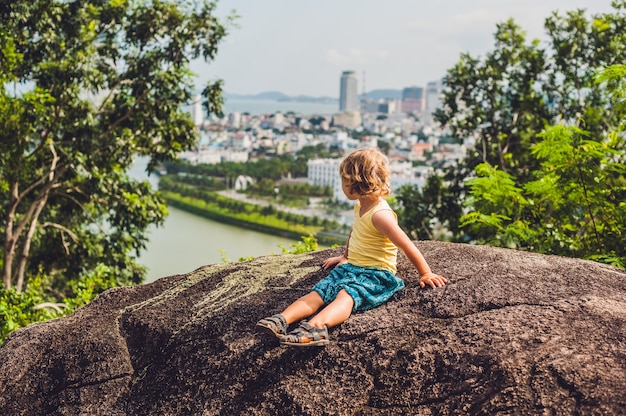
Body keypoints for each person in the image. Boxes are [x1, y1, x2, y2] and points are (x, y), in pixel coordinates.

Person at [256, 148, 447, 347]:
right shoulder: (360, 205)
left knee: (346, 295)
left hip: (376, 273)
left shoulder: (380, 214)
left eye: (344, 182)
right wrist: (345, 257)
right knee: (319, 292)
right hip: (352, 267)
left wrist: (425, 273)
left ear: (355, 183)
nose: (343, 186)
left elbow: (406, 244)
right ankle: (282, 320)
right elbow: (355, 232)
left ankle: (316, 326)